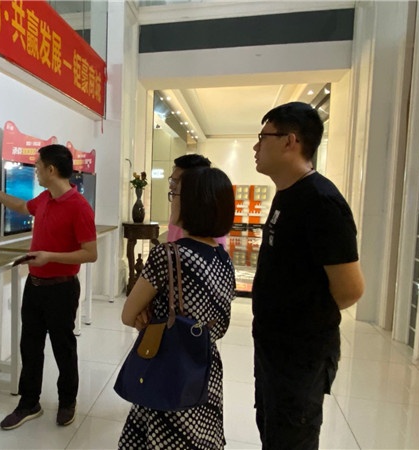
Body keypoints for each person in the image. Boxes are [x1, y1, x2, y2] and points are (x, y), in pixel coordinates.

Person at [251, 102, 365, 449]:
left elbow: (350, 289)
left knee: (292, 437)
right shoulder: (288, 193)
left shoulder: (321, 201)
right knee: (273, 432)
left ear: (290, 141)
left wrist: (300, 317)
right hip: (273, 348)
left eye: (263, 137)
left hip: (299, 355)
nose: (256, 146)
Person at [0, 144, 97, 429]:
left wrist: (49, 257)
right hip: (35, 286)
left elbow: (90, 253)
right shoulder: (45, 198)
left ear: (51, 169)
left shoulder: (79, 207)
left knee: (63, 348)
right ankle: (29, 403)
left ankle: (67, 401)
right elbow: (21, 206)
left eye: (38, 166)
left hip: (62, 290)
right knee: (30, 347)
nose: (36, 171)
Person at [118, 166, 236, 449]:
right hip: (205, 367)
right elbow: (219, 325)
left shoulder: (168, 255)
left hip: (168, 368)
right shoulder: (224, 260)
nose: (171, 200)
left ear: (193, 203)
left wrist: (151, 316)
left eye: (175, 194)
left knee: (162, 437)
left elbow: (128, 314)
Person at [167, 154, 227, 248]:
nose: (171, 186)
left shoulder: (208, 220)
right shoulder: (177, 213)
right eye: (172, 180)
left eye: (177, 181)